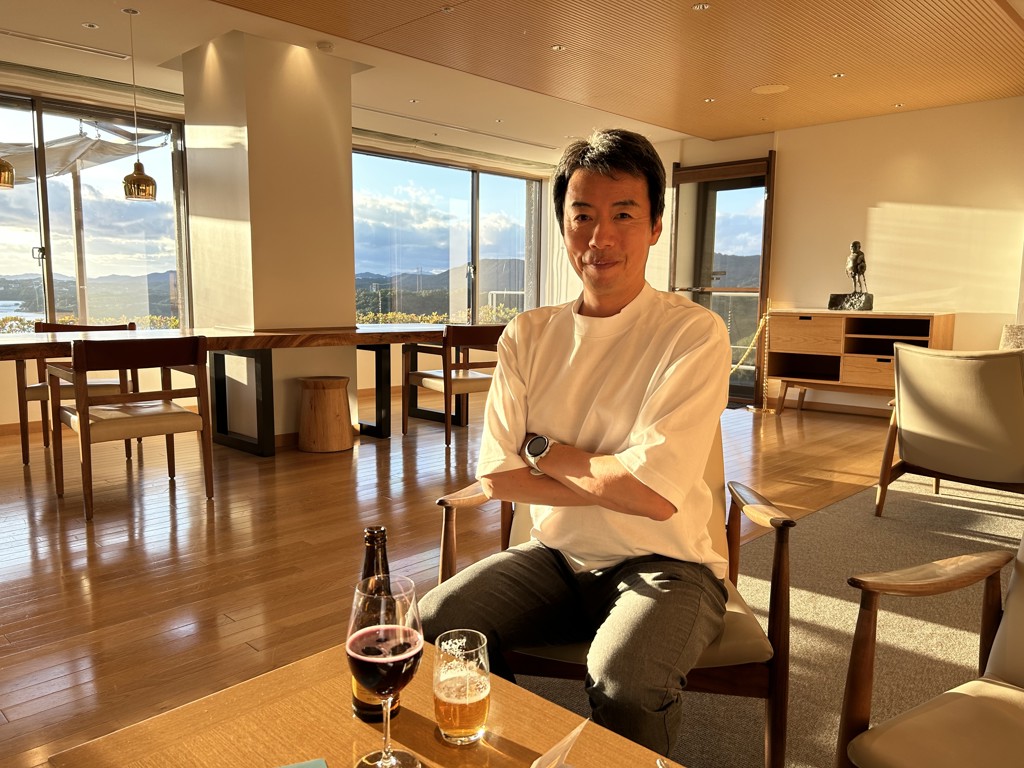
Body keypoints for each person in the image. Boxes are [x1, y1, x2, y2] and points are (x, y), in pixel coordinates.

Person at [419, 128, 732, 756]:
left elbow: (652, 500)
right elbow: (497, 479)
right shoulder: (528, 335)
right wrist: (614, 478)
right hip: (556, 556)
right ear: (563, 226)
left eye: (623, 215)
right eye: (582, 216)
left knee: (625, 681)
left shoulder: (693, 334)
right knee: (437, 624)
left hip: (670, 564)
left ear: (656, 226)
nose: (600, 237)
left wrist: (544, 451)